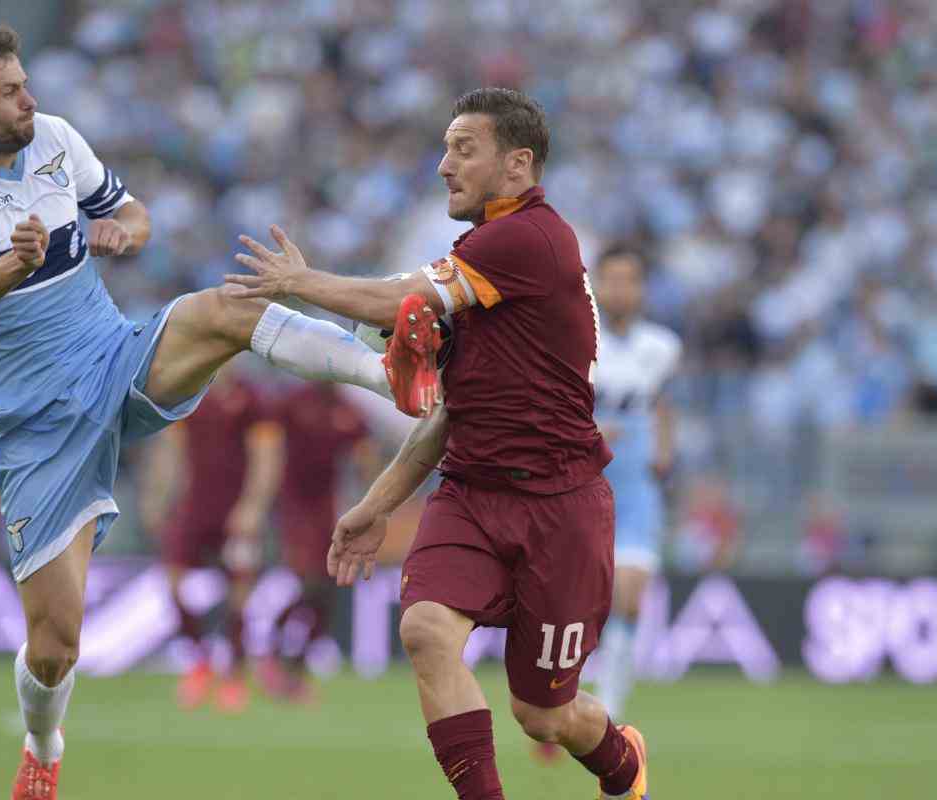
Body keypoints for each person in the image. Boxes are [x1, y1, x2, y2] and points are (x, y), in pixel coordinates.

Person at [0, 24, 414, 800]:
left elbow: (136, 216)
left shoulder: (57, 140)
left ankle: (389, 373)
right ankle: (44, 745)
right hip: (37, 430)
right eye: (9, 91)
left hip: (114, 357)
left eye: (25, 81)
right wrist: (15, 261)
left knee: (226, 308)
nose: (30, 99)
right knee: (55, 645)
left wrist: (119, 233)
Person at [227, 88, 648, 800]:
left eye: (464, 149)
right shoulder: (484, 264)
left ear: (517, 166)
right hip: (473, 495)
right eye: (446, 147)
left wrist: (299, 283)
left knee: (543, 715)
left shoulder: (531, 239)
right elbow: (452, 416)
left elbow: (400, 301)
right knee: (425, 628)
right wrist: (378, 503)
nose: (444, 165)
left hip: (560, 508)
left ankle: (623, 764)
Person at [587, 246, 683, 722]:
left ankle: (607, 704)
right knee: (583, 597)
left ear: (642, 288)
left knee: (628, 593)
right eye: (613, 279)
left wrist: (665, 451)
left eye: (630, 280)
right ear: (598, 285)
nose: (621, 289)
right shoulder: (580, 340)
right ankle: (564, 690)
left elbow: (663, 403)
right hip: (582, 483)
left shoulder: (662, 347)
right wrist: (589, 432)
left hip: (636, 487)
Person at [156, 364, 282, 713]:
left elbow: (266, 458)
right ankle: (199, 661)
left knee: (239, 593)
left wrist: (253, 507)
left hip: (236, 509)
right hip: (194, 507)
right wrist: (163, 496)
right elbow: (172, 451)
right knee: (173, 583)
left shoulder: (252, 400)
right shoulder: (188, 392)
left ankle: (233, 675)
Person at [258, 381, 377, 702]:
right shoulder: (292, 402)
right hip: (293, 506)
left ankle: (294, 668)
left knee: (327, 589)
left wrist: (373, 504)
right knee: (309, 582)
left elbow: (365, 455)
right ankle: (271, 650)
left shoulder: (347, 409)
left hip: (326, 506)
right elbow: (268, 446)